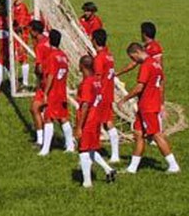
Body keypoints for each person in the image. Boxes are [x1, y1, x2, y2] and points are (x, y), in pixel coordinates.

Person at [117, 43, 180, 174]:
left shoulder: (146, 65)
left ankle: (173, 165)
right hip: (149, 103)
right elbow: (161, 84)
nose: (134, 61)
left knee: (156, 134)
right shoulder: (156, 64)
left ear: (136, 53)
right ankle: (132, 168)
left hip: (148, 106)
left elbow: (140, 87)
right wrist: (161, 103)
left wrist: (124, 99)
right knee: (138, 134)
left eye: (133, 58)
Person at [75, 55, 116, 188]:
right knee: (91, 148)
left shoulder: (87, 83)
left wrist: (79, 127)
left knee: (83, 150)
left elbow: (86, 104)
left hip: (88, 121)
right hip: (96, 119)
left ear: (82, 66)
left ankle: (87, 182)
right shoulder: (97, 82)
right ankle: (108, 170)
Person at [38, 29, 75, 156]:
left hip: (53, 92)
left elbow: (51, 76)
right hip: (62, 90)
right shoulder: (63, 56)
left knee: (48, 118)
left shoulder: (51, 56)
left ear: (49, 41)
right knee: (63, 117)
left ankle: (45, 149)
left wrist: (46, 93)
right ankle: (70, 145)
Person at [91, 29, 120, 162]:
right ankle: (112, 154)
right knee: (106, 122)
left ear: (94, 41)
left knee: (104, 123)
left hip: (101, 94)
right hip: (109, 92)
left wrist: (94, 94)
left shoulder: (99, 58)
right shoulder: (109, 55)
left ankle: (109, 154)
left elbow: (97, 77)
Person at [29, 20, 51, 146]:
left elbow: (40, 67)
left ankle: (41, 140)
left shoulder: (39, 45)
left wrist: (37, 73)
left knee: (34, 108)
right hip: (53, 79)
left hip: (45, 81)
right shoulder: (47, 40)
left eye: (30, 30)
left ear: (35, 31)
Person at [11, 0, 31, 88]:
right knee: (15, 57)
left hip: (21, 36)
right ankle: (16, 81)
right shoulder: (14, 7)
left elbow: (22, 25)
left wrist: (15, 25)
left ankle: (25, 82)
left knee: (23, 58)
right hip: (15, 35)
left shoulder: (22, 7)